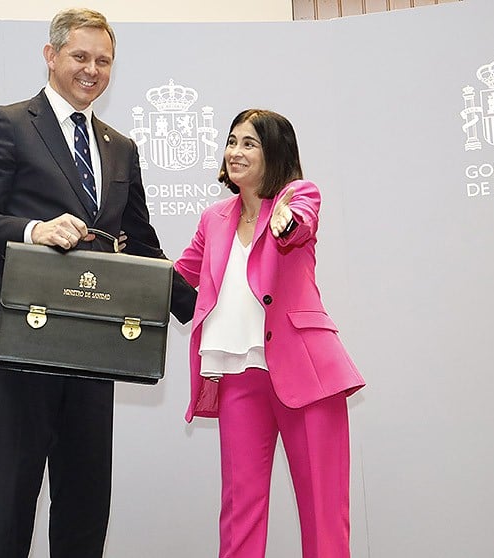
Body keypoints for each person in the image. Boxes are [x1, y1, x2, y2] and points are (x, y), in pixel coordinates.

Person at [0, 8, 194, 558]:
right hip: (20, 341)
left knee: (86, 506)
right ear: (51, 55)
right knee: (11, 499)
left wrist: (199, 308)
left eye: (103, 60)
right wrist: (35, 230)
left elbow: (142, 245)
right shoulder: (8, 122)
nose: (91, 70)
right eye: (80, 57)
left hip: (94, 343)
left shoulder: (120, 147)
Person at [173, 109, 366, 558]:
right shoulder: (214, 218)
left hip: (307, 375)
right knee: (240, 511)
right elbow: (180, 277)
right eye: (232, 141)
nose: (235, 152)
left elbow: (300, 220)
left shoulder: (298, 196)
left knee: (323, 510)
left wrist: (286, 222)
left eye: (250, 143)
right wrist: (115, 265)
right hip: (239, 376)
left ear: (274, 152)